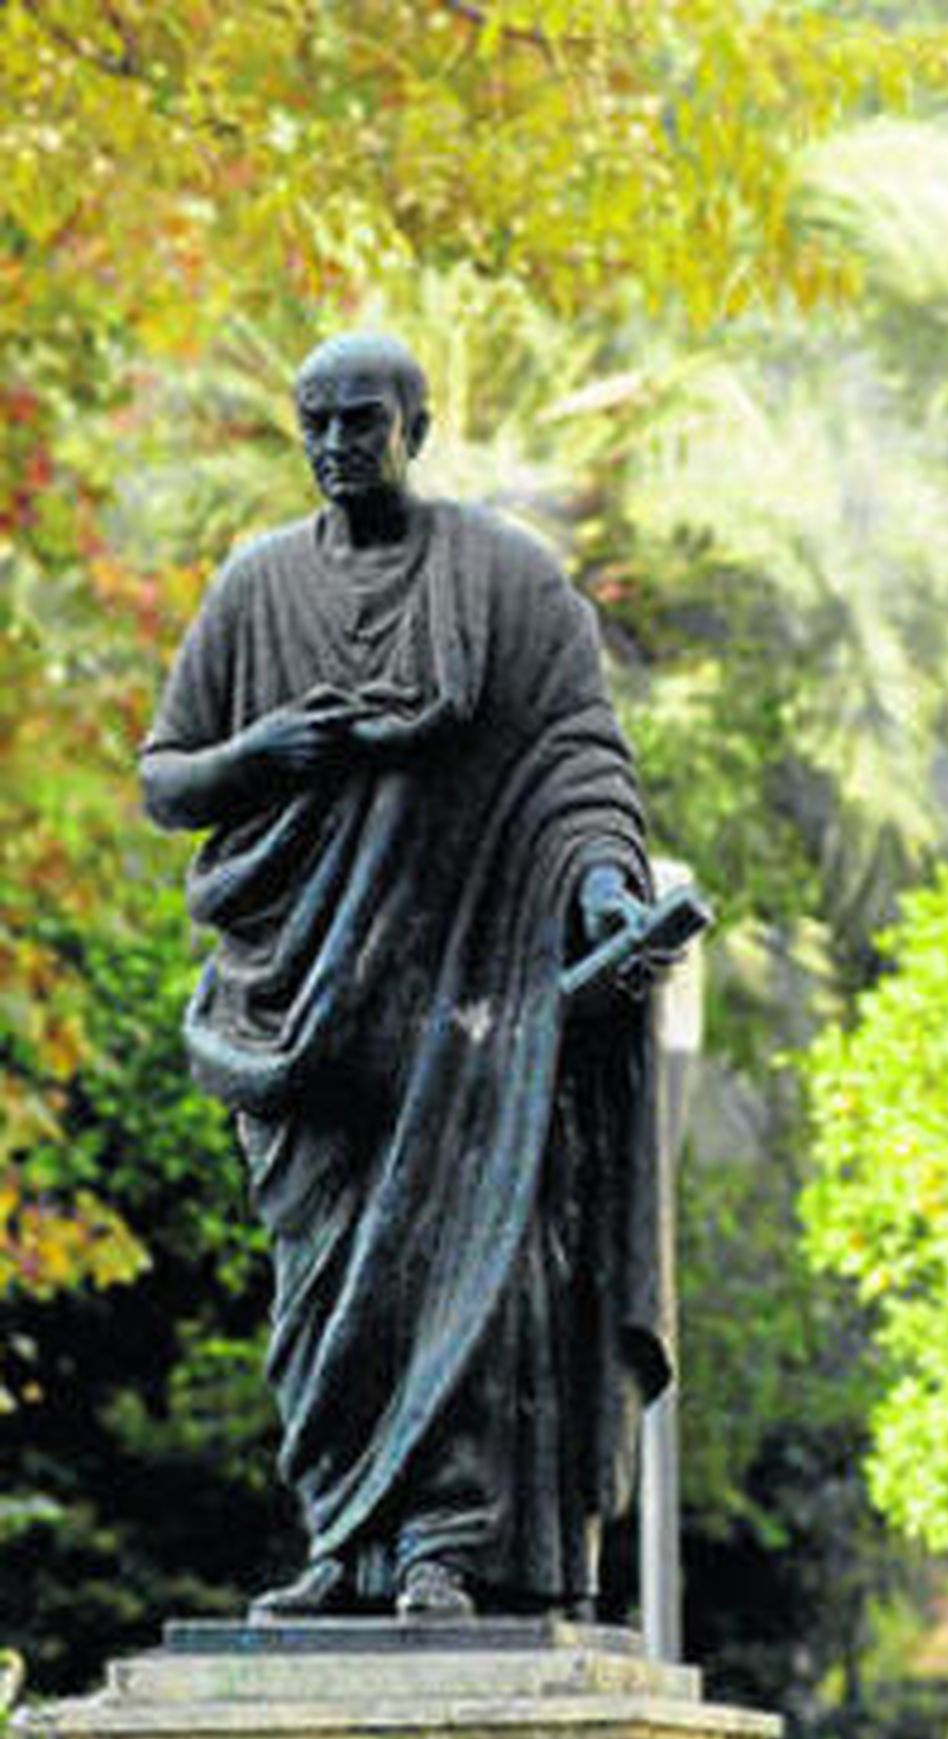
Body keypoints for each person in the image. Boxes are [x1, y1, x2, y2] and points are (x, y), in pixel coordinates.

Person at [141, 331, 668, 1621]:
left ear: (416, 428)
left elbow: (581, 759)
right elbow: (168, 780)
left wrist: (605, 885)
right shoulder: (257, 586)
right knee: (325, 1285)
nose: (333, 446)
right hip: (302, 1004)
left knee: (465, 1278)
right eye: (313, 422)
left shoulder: (505, 579)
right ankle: (342, 1541)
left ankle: (443, 1546)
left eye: (360, 422)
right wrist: (265, 748)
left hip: (467, 1002)